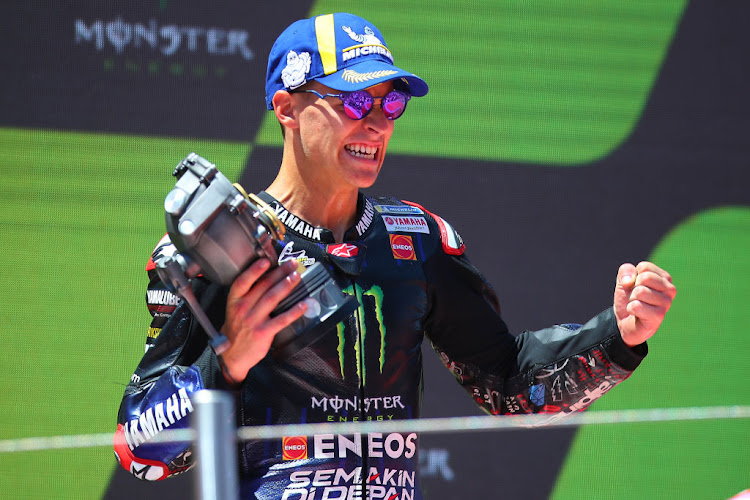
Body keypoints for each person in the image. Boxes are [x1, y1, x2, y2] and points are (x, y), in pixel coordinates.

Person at [114, 12, 677, 499]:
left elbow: (508, 385)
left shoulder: (416, 238)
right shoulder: (215, 246)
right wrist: (229, 360)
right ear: (286, 108)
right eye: (356, 99)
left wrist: (619, 334)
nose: (378, 121)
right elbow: (138, 449)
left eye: (392, 101)